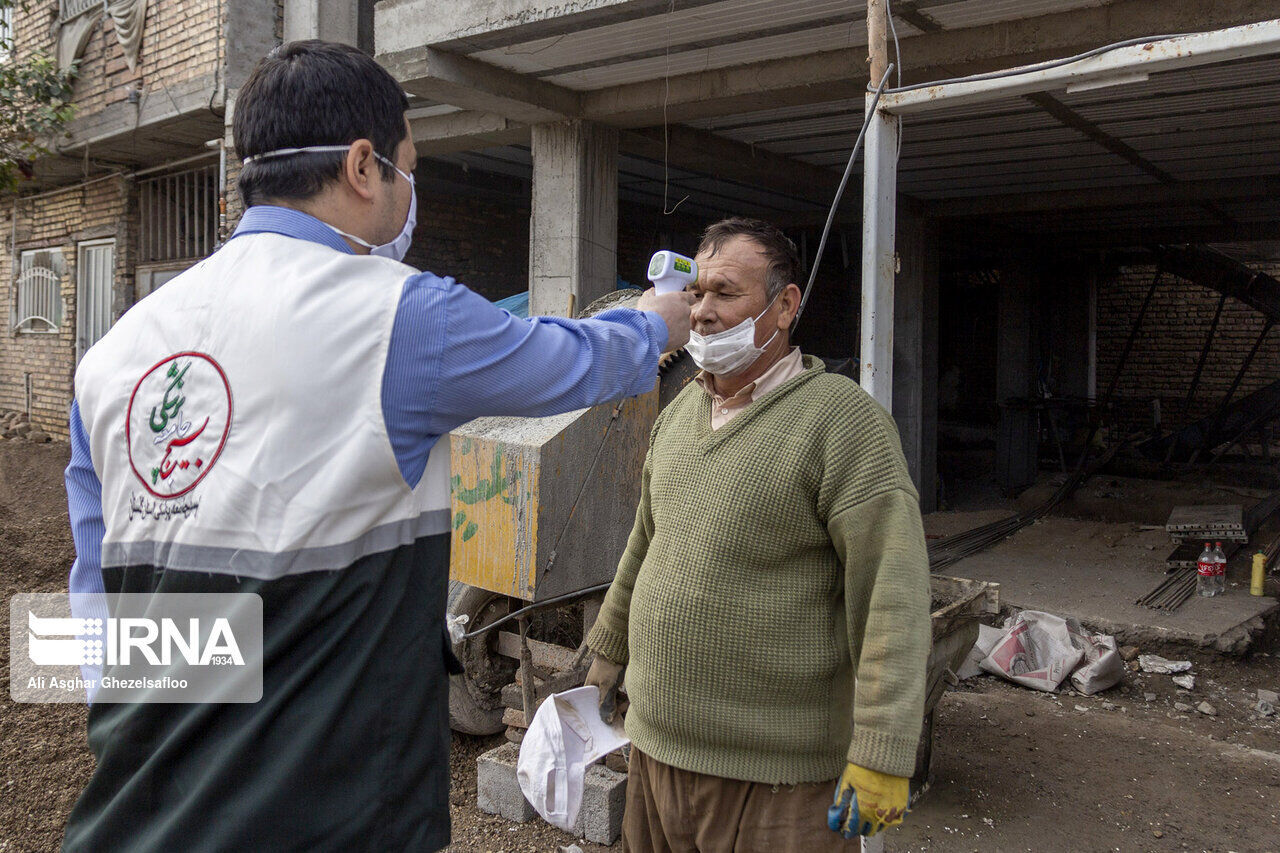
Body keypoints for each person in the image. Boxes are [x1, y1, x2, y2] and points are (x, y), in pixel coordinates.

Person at [61, 40, 692, 852]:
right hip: (333, 812)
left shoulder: (115, 352)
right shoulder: (401, 316)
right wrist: (655, 322)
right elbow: (569, 361)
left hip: (140, 812)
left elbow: (92, 604)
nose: (410, 188)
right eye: (408, 166)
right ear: (364, 167)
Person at [585, 218, 931, 850]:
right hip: (657, 751)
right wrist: (607, 652)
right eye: (695, 296)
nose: (704, 312)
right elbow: (646, 540)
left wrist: (883, 750)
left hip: (778, 782)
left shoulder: (841, 422)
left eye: (725, 293)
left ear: (785, 305)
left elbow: (893, 597)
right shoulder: (680, 413)